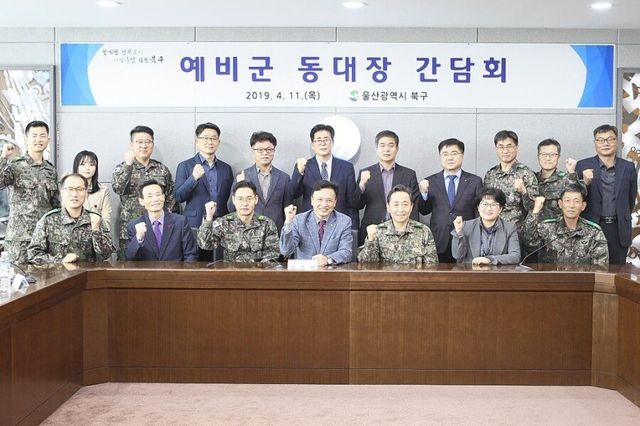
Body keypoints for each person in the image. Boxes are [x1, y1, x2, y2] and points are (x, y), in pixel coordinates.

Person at [576, 124, 637, 265]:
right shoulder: (582, 166)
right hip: (592, 226)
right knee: (590, 271)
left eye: (610, 139)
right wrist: (585, 182)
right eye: (601, 140)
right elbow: (577, 197)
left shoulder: (628, 167)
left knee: (618, 271)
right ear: (595, 143)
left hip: (619, 228)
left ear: (617, 142)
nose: (606, 143)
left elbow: (630, 198)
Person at [112, 125, 176, 260]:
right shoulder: (122, 168)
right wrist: (128, 166)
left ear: (152, 144)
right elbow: (118, 189)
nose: (144, 146)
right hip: (131, 226)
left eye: (148, 142)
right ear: (131, 145)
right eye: (139, 142)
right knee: (128, 262)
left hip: (158, 227)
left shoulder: (162, 169)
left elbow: (170, 197)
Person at [0, 120, 59, 263]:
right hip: (19, 239)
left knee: (46, 275)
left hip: (43, 238)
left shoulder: (51, 170)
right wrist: (3, 158)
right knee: (18, 275)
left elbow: (55, 205)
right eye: (34, 136)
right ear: (26, 139)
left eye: (42, 136)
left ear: (48, 140)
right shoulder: (15, 166)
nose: (38, 140)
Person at [417, 138, 483, 262]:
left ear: (462, 156)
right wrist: (423, 193)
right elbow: (424, 211)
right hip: (439, 239)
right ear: (440, 157)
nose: (450, 158)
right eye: (445, 154)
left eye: (454, 153)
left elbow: (478, 212)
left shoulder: (475, 181)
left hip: (465, 238)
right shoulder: (430, 181)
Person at [175, 122, 233, 261]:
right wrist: (193, 178)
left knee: (219, 264)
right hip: (195, 224)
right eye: (205, 138)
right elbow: (178, 196)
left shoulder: (226, 168)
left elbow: (229, 199)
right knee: (195, 264)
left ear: (218, 142)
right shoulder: (185, 166)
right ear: (196, 141)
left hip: (221, 225)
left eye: (213, 138)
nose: (209, 142)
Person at [27, 174, 113, 264]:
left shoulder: (95, 219)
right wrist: (60, 261)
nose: (74, 194)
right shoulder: (48, 220)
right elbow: (34, 254)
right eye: (70, 189)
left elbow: (106, 254)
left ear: (86, 193)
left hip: (87, 272)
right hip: (57, 272)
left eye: (80, 189)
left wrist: (96, 230)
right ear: (62, 193)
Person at [353, 130, 419, 246]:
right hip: (373, 229)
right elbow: (357, 205)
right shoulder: (366, 173)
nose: (386, 149)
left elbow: (414, 207)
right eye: (382, 145)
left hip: (402, 231)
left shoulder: (409, 174)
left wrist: (413, 232)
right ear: (377, 149)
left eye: (391, 145)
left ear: (397, 148)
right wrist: (361, 185)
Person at [289, 124, 359, 229]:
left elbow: (351, 202)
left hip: (339, 225)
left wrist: (353, 226)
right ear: (312, 145)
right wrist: (300, 172)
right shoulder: (304, 165)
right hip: (309, 225)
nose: (323, 143)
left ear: (332, 142)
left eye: (326, 139)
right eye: (318, 140)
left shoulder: (346, 167)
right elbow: (293, 194)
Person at [522, 184, 609, 265]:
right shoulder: (548, 227)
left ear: (583, 206)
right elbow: (529, 242)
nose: (571, 205)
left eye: (576, 201)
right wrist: (535, 211)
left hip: (582, 276)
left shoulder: (594, 232)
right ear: (560, 204)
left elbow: (600, 267)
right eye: (567, 201)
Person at [198, 180, 279, 262]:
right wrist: (209, 217)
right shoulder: (224, 223)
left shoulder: (267, 224)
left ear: (256, 199)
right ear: (233, 200)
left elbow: (272, 254)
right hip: (230, 269)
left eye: (249, 199)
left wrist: (258, 269)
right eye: (240, 199)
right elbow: (205, 244)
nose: (245, 203)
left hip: (257, 269)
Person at [227, 131, 291, 231]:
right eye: (260, 150)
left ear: (274, 151)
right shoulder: (243, 175)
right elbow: (231, 207)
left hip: (275, 231)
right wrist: (240, 185)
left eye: (269, 149)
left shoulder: (284, 178)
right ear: (253, 151)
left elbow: (287, 208)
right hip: (248, 231)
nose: (265, 153)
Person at [358, 184, 438, 264]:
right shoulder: (377, 232)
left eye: (405, 204)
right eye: (396, 205)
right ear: (388, 207)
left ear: (411, 207)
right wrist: (371, 241)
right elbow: (366, 265)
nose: (401, 209)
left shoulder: (424, 231)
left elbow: (432, 266)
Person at [280, 180, 352, 266]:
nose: (324, 204)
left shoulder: (344, 221)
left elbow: (346, 252)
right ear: (312, 200)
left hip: (332, 271)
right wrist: (288, 221)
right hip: (305, 272)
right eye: (319, 199)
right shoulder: (299, 220)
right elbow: (286, 251)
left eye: (329, 200)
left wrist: (327, 260)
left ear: (335, 202)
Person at [125, 179, 197, 262]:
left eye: (158, 195)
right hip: (147, 270)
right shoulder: (134, 225)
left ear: (163, 197)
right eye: (150, 196)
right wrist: (138, 238)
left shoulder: (180, 222)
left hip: (175, 270)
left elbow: (191, 255)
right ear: (141, 201)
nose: (155, 199)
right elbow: (129, 258)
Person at [450, 187, 520, 265]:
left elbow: (515, 256)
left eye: (493, 205)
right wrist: (459, 232)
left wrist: (490, 259)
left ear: (500, 208)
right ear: (478, 207)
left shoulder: (509, 228)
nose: (488, 208)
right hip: (471, 271)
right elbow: (457, 256)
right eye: (485, 204)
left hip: (498, 271)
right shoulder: (466, 226)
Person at [483, 130, 538, 228]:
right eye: (501, 147)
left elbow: (534, 208)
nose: (505, 151)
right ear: (496, 149)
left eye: (509, 146)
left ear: (517, 148)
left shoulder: (526, 174)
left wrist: (524, 192)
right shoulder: (490, 175)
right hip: (491, 230)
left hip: (515, 231)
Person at [535, 139, 580, 220]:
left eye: (552, 155)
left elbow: (579, 194)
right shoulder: (531, 179)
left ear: (558, 157)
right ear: (538, 157)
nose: (548, 158)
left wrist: (572, 172)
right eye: (544, 154)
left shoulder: (567, 179)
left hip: (558, 226)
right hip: (533, 226)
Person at [73, 150, 112, 230]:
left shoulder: (103, 190)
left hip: (97, 233)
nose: (87, 168)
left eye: (91, 164)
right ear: (76, 167)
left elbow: (107, 223)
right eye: (82, 164)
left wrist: (96, 222)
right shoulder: (69, 190)